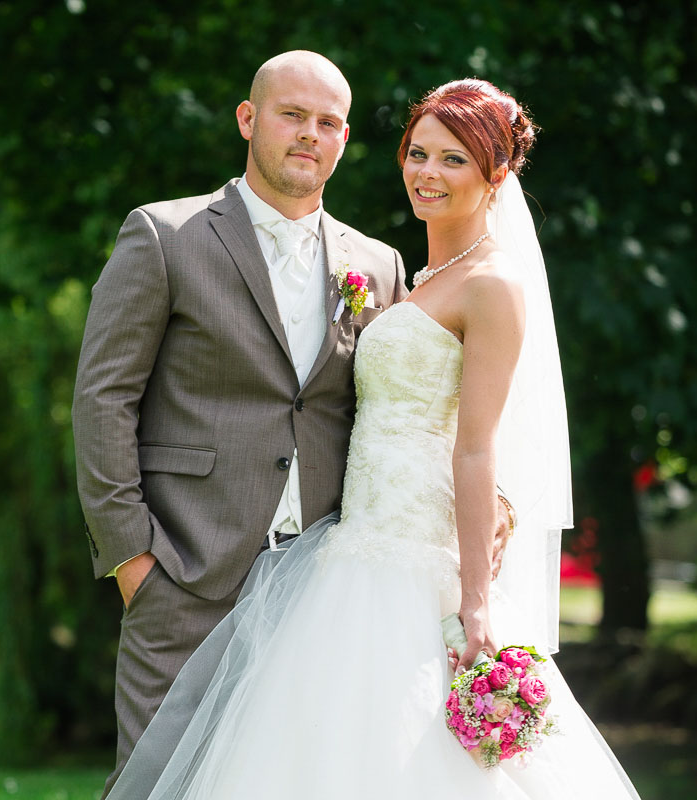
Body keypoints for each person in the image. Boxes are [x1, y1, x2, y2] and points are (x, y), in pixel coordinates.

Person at [101, 80, 641, 798]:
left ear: (497, 174)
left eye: (454, 160)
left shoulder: (491, 285)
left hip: (415, 567)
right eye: (418, 153)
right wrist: (130, 556)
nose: (427, 172)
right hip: (336, 552)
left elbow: (476, 444)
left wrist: (476, 603)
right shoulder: (404, 277)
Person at [71, 51, 503, 797]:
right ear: (248, 119)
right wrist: (133, 562)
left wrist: (497, 502)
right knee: (155, 785)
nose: (310, 134)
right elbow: (103, 400)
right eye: (291, 115)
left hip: (326, 588)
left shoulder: (380, 263)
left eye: (328, 122)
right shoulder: (164, 236)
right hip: (186, 573)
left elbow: (420, 408)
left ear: (344, 140)